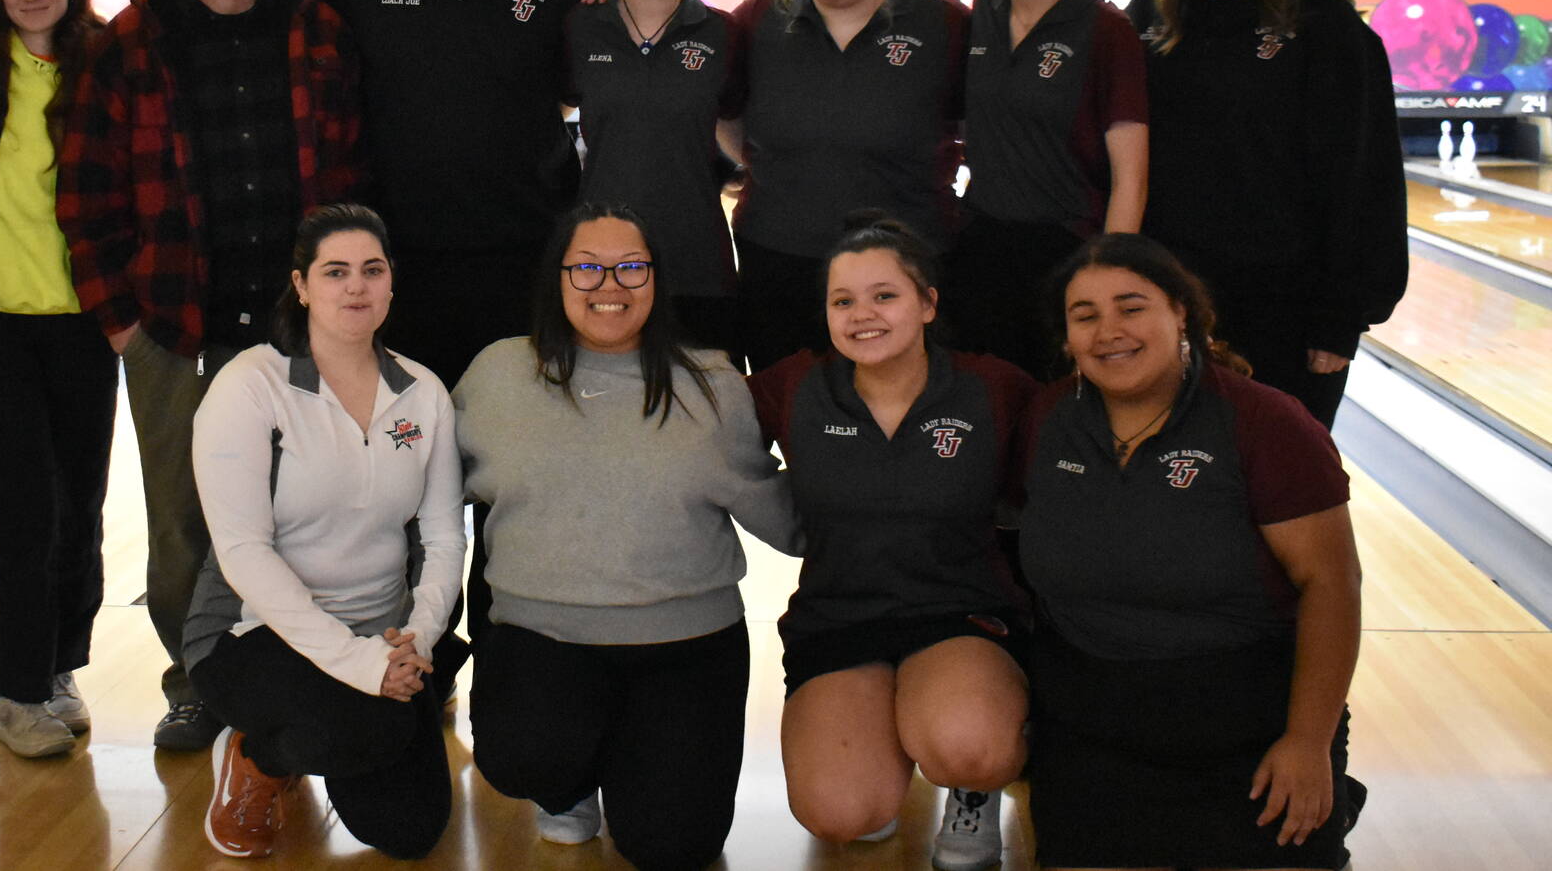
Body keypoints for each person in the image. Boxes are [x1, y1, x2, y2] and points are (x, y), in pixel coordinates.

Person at [57, 0, 363, 752]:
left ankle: (304, 670)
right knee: (185, 522)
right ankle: (197, 681)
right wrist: (121, 322)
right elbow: (86, 189)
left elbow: (351, 165)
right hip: (175, 325)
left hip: (295, 322)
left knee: (310, 510)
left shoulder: (316, 27)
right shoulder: (130, 40)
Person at [455, 204, 798, 871]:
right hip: (544, 638)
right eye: (586, 266)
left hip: (687, 649)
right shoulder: (497, 374)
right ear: (556, 277)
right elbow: (430, 495)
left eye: (631, 266)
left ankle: (629, 758)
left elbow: (784, 520)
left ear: (657, 280)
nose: (608, 283)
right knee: (527, 753)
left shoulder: (713, 385)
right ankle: (571, 782)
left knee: (673, 847)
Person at [1017, 232, 1363, 869]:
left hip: (1249, 720)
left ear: (1183, 313)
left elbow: (1332, 586)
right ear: (1067, 340)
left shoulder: (1266, 423)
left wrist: (1308, 742)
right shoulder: (1045, 419)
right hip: (1094, 718)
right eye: (1084, 315)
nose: (1109, 330)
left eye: (1132, 306)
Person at [749, 213, 1033, 871]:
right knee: (840, 814)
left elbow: (1057, 482)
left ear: (928, 302)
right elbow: (703, 437)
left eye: (885, 295)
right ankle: (877, 755)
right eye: (842, 300)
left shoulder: (991, 387)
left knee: (970, 744)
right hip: (839, 616)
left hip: (958, 614)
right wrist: (780, 524)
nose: (861, 314)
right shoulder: (795, 385)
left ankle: (971, 790)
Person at [188, 204, 466, 859]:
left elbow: (444, 537)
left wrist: (416, 640)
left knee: (411, 830)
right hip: (252, 633)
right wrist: (363, 665)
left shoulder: (421, 395)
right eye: (335, 271)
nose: (356, 286)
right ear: (303, 285)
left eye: (372, 269)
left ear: (392, 281)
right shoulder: (252, 385)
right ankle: (255, 757)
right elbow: (242, 550)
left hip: (383, 635)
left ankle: (360, 709)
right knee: (363, 725)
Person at [1127, 0, 1406, 427]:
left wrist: (1341, 317)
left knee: (1278, 494)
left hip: (1289, 307)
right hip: (1172, 300)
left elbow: (1363, 175)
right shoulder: (1153, 13)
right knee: (1178, 486)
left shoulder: (1323, 24)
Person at [320, 0, 592, 388]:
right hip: (396, 260)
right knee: (407, 447)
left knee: (512, 444)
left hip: (525, 258)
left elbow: (586, 90)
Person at [0, 0, 116, 758]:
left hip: (83, 319)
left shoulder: (102, 60)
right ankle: (15, 689)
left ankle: (58, 665)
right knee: (21, 509)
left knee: (80, 503)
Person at [724, 0, 968, 370]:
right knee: (792, 415)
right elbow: (722, 113)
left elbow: (987, 125)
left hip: (908, 265)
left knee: (904, 421)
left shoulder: (942, 24)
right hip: (780, 259)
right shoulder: (760, 20)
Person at [945, 0, 1148, 378]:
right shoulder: (981, 18)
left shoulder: (1106, 30)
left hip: (1068, 255)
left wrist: (1107, 278)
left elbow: (1131, 179)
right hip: (983, 253)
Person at [565, 0, 740, 356]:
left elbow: (742, 135)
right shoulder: (581, 25)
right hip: (601, 269)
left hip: (696, 261)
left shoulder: (722, 35)